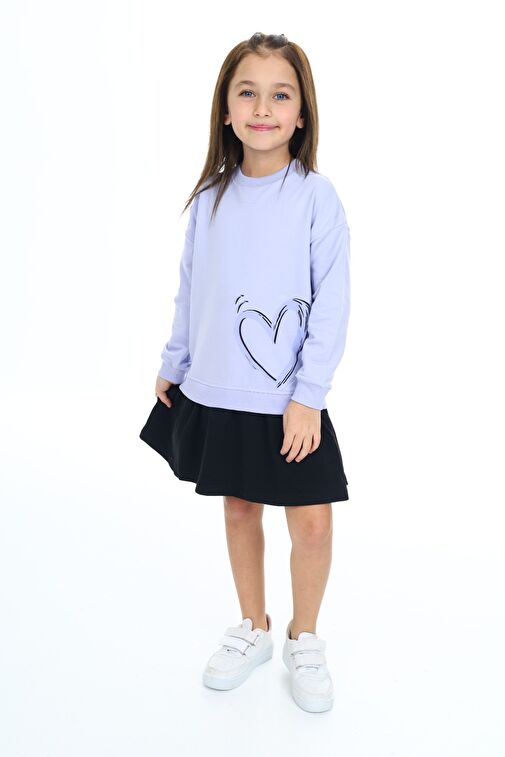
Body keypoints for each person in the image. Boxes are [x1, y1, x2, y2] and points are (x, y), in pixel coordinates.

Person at [139, 31, 351, 714]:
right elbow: (191, 287)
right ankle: (252, 626)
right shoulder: (209, 199)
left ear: (301, 113)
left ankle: (303, 636)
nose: (263, 108)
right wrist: (174, 362)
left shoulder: (315, 198)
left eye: (280, 95)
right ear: (226, 110)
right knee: (239, 507)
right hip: (221, 383)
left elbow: (331, 303)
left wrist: (307, 396)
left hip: (288, 399)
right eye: (248, 93)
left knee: (311, 522)